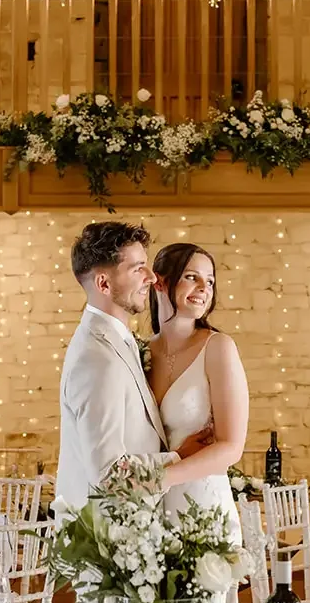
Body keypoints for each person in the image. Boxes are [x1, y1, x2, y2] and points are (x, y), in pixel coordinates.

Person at [55, 221, 211, 512]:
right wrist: (178, 457)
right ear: (104, 283)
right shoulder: (97, 358)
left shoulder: (119, 341)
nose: (151, 277)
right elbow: (108, 474)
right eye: (138, 268)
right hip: (104, 538)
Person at [147, 242, 247, 546]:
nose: (204, 287)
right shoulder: (140, 352)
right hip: (148, 516)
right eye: (192, 277)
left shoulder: (218, 347)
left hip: (202, 508)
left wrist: (160, 479)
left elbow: (231, 447)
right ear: (160, 282)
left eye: (211, 281)